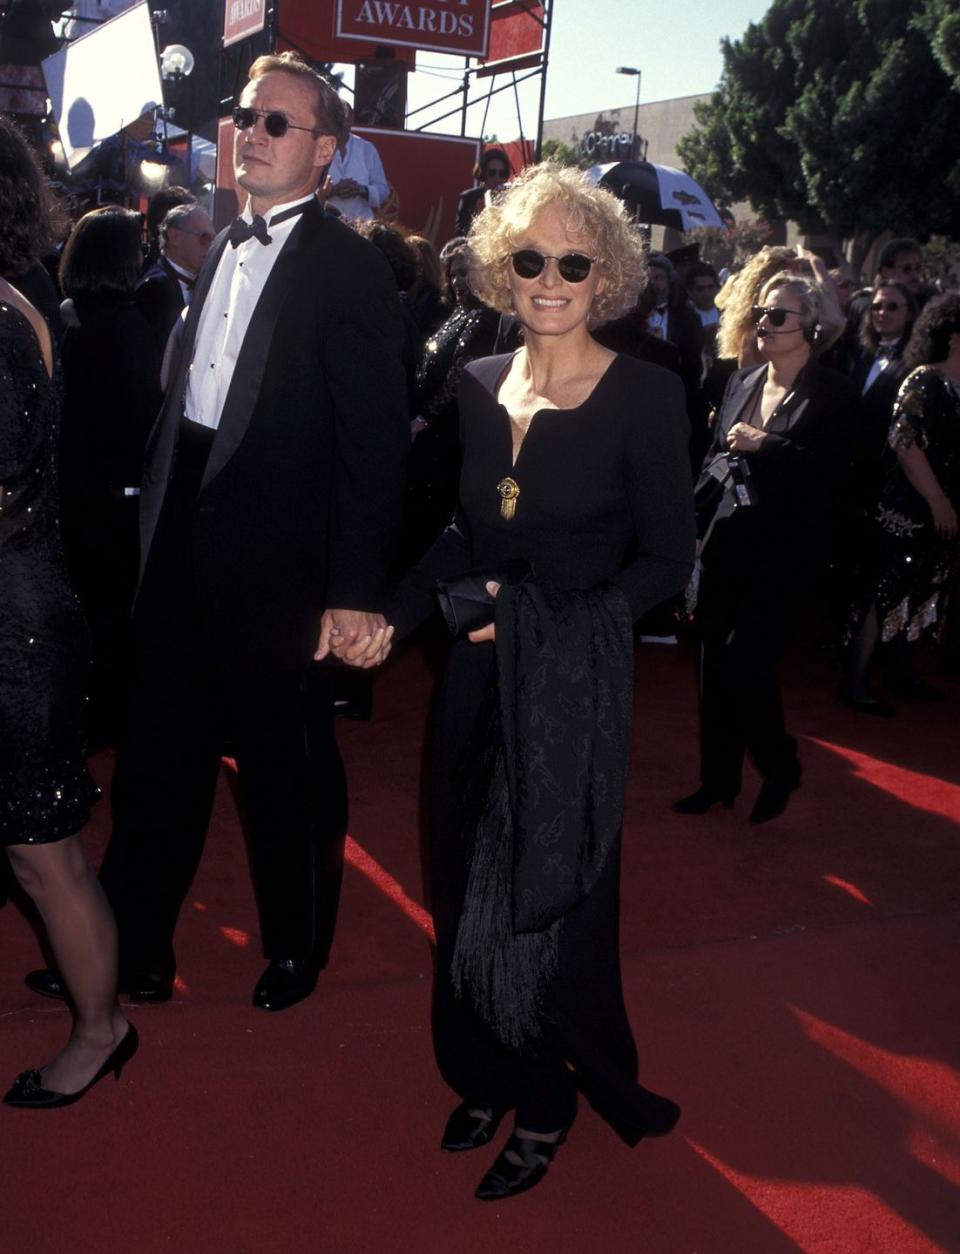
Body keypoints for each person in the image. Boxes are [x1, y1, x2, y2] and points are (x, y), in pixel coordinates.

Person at [26, 52, 408, 1013]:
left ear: (327, 151)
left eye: (279, 123)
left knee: (283, 769)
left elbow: (373, 445)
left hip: (282, 566)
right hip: (183, 544)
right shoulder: (217, 248)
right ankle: (126, 948)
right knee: (159, 760)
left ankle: (297, 945)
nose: (253, 133)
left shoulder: (350, 267)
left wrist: (355, 588)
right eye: (247, 116)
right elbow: (187, 414)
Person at [389, 163, 695, 1200]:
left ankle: (552, 1097)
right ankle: (482, 1070)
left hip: (569, 689)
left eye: (573, 260)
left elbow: (667, 562)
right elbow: (461, 535)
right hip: (475, 686)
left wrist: (546, 628)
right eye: (529, 259)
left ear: (605, 273)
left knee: (548, 902)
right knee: (459, 882)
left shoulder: (646, 395)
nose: (549, 278)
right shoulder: (478, 387)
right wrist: (385, 619)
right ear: (500, 271)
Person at [0, 115, 136, 1108]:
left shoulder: (5, 317)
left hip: (17, 625)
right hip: (23, 599)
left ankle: (102, 1029)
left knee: (43, 854)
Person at [677, 273, 859, 823]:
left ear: (814, 326)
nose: (765, 322)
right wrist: (692, 524)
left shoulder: (834, 393)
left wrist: (768, 445)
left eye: (778, 315)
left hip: (786, 556)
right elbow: (713, 455)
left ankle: (780, 764)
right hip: (725, 543)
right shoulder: (741, 381)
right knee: (712, 663)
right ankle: (719, 782)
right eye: (761, 311)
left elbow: (837, 476)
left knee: (746, 663)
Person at [57, 206, 163, 748]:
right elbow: (147, 418)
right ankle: (111, 719)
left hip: (72, 492)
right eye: (138, 246)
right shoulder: (126, 326)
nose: (145, 255)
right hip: (118, 498)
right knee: (116, 617)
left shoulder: (67, 315)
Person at [841, 293, 960, 712]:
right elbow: (903, 442)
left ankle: (901, 671)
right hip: (908, 507)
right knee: (885, 589)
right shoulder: (924, 380)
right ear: (953, 335)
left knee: (928, 587)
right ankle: (856, 679)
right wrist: (937, 499)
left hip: (944, 510)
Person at [135, 202, 215, 354]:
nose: (210, 246)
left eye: (213, 240)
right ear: (175, 236)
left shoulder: (210, 284)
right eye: (204, 237)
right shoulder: (152, 289)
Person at [319, 104, 389, 223]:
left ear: (352, 120)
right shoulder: (319, 148)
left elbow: (383, 191)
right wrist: (331, 191)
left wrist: (361, 190)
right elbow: (305, 192)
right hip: (327, 225)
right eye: (339, 119)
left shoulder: (367, 148)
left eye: (347, 119)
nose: (343, 124)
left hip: (362, 227)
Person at [454, 147, 511, 236]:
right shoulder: (469, 197)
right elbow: (460, 234)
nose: (497, 177)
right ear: (483, 173)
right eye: (492, 173)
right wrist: (479, 218)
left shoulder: (511, 198)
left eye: (501, 173)